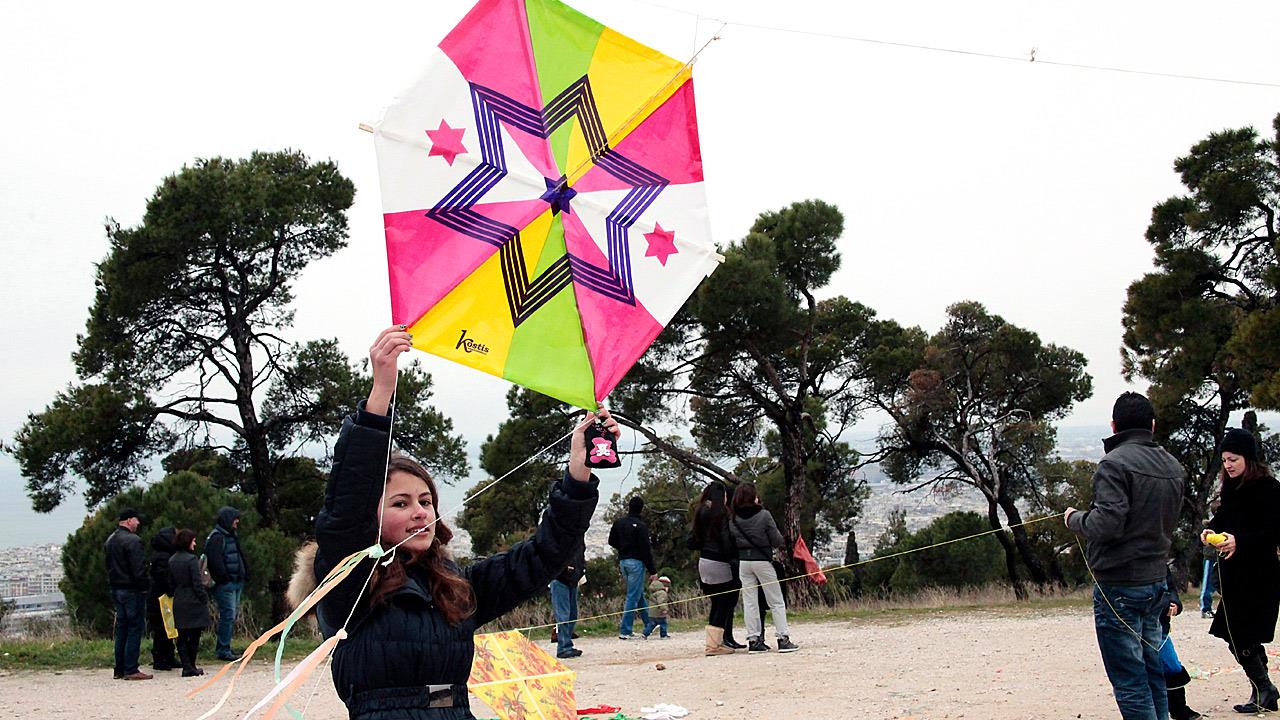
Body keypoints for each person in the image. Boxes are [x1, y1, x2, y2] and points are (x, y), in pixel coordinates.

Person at [308, 326, 608, 719]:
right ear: (372, 515)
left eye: (426, 501)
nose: (420, 512)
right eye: (401, 502)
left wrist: (579, 471)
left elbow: (543, 555)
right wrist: (380, 393)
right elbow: (346, 506)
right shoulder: (348, 584)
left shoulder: (456, 586)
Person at [1064, 392, 1184, 720]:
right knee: (1152, 672)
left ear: (1115, 426)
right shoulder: (1173, 465)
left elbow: (1107, 523)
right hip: (1156, 581)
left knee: (1131, 680)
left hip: (1120, 586)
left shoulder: (1114, 463)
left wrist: (1074, 518)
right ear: (1153, 425)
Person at [1200, 427, 1280, 714]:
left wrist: (1240, 541)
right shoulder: (1231, 489)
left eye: (1233, 459)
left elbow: (1272, 532)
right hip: (1234, 577)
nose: (1228, 465)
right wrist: (1211, 531)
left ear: (1248, 458)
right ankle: (1264, 688)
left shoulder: (1270, 489)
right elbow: (1223, 519)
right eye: (1224, 460)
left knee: (1241, 634)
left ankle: (1264, 688)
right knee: (1234, 634)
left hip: (1261, 576)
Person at [729, 483, 798, 654]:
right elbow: (776, 540)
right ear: (753, 497)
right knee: (775, 600)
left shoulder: (733, 518)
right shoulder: (764, 515)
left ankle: (754, 640)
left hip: (744, 562)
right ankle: (783, 638)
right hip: (762, 560)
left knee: (750, 602)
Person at [687, 481, 740, 655]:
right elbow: (725, 539)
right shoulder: (721, 513)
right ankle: (714, 645)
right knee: (723, 603)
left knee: (716, 603)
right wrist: (733, 557)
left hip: (704, 561)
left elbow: (693, 539)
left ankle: (713, 643)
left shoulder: (701, 511)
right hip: (719, 563)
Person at [105, 507, 152, 680]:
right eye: (136, 520)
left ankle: (120, 668)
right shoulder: (133, 541)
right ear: (129, 520)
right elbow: (138, 568)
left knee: (122, 628)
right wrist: (144, 586)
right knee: (134, 628)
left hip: (117, 588)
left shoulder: (111, 540)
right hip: (132, 589)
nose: (138, 523)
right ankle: (131, 668)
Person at [1158, 563, 1202, 720]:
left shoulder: (1157, 555)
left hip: (1160, 627)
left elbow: (1169, 587)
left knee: (1172, 668)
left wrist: (1175, 603)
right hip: (1133, 625)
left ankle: (1179, 709)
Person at [608, 495, 656, 640]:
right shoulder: (641, 526)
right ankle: (625, 630)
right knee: (632, 596)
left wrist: (623, 548)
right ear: (641, 509)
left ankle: (650, 623)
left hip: (623, 561)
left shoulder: (619, 523)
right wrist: (653, 570)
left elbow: (611, 541)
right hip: (636, 563)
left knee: (638, 593)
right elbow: (646, 550)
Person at [206, 505, 250, 661]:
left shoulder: (231, 536)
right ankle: (223, 649)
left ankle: (225, 647)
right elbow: (215, 561)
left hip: (236, 581)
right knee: (228, 616)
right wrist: (224, 578)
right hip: (226, 584)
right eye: (235, 518)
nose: (237, 521)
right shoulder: (217, 537)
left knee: (231, 616)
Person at [168, 528, 211, 677]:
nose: (195, 543)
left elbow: (170, 583)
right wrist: (203, 598)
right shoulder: (191, 560)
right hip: (193, 599)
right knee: (194, 635)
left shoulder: (172, 560)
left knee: (181, 635)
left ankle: (186, 665)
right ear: (188, 542)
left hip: (179, 598)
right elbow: (197, 582)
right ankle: (191, 665)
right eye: (193, 540)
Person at [147, 526, 180, 671]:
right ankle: (161, 659)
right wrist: (171, 590)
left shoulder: (160, 555)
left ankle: (168, 657)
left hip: (159, 597)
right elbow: (163, 578)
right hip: (161, 598)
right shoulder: (163, 557)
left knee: (166, 629)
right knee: (162, 629)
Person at [549, 543, 586, 659]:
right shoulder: (560, 536)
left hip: (573, 579)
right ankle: (563, 647)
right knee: (563, 614)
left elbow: (580, 555)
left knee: (572, 614)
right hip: (560, 578)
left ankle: (567, 643)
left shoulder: (578, 538)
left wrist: (581, 570)